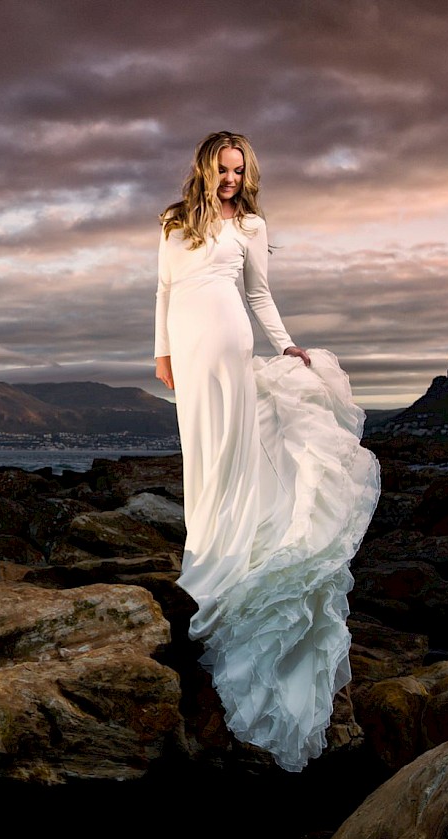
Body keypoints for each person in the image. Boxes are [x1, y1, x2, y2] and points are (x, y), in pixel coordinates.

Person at [154, 131, 380, 771]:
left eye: (239, 170)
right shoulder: (173, 221)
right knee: (199, 453)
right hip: (187, 349)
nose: (230, 178)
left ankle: (228, 557)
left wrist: (284, 345)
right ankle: (205, 546)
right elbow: (164, 291)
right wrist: (161, 351)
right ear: (205, 168)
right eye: (223, 169)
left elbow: (257, 296)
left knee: (231, 449)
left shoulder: (249, 224)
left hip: (228, 340)